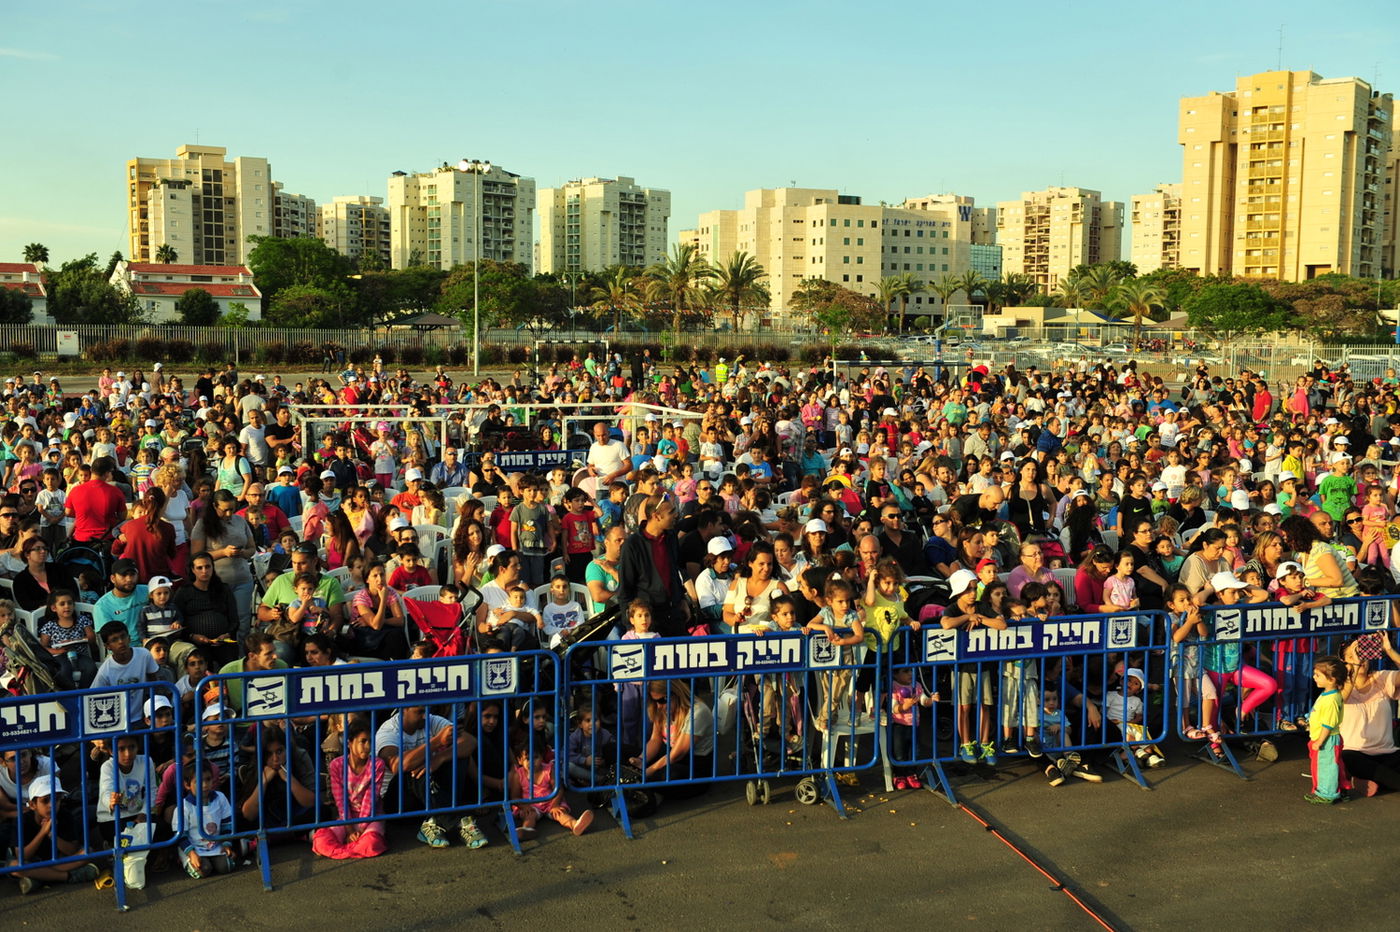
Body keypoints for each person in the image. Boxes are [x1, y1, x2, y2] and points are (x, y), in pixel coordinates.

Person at [375, 705, 480, 849]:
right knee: (413, 768)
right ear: (404, 710)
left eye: (426, 710)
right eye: (419, 712)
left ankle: (432, 823)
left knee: (458, 756)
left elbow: (470, 742)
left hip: (428, 796)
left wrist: (439, 758)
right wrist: (436, 742)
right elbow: (397, 765)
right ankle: (459, 821)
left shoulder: (432, 720)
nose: (425, 716)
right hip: (398, 803)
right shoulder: (389, 731)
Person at [312, 718, 390, 859]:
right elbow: (340, 801)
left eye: (370, 741)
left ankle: (344, 850)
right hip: (346, 818)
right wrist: (349, 829)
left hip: (371, 817)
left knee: (370, 843)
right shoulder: (337, 765)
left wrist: (359, 829)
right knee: (321, 840)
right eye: (363, 741)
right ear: (349, 743)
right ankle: (352, 849)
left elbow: (370, 799)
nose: (367, 746)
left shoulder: (377, 765)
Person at [617, 495, 690, 637]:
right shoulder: (632, 545)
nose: (675, 515)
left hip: (673, 614)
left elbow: (675, 571)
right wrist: (630, 626)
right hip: (648, 619)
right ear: (656, 516)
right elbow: (625, 589)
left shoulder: (671, 537)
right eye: (671, 512)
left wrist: (682, 599)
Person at [1337, 634, 1400, 795]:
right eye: (1352, 656)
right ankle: (1380, 781)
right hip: (1354, 753)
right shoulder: (1339, 686)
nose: (1360, 659)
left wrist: (1389, 650)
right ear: (1343, 662)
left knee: (1388, 766)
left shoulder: (1381, 678)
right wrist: (1355, 666)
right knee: (1348, 758)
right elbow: (1339, 701)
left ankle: (1367, 782)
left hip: (1387, 752)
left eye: (1362, 654)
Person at [191, 490, 257, 633]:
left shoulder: (240, 521)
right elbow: (196, 555)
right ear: (215, 506)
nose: (228, 514)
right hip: (217, 581)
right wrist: (223, 552)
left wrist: (243, 553)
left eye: (232, 509)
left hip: (242, 579)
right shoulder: (203, 524)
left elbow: (252, 547)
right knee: (220, 620)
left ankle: (241, 645)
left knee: (243, 619)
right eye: (224, 510)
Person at [508, 734, 592, 838]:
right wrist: (524, 806)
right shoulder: (518, 775)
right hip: (530, 804)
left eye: (535, 757)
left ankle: (575, 825)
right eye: (527, 759)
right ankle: (527, 830)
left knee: (560, 813)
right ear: (520, 760)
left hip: (550, 802)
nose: (532, 762)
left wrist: (555, 805)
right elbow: (515, 797)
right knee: (530, 815)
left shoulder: (549, 769)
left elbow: (558, 789)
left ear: (542, 757)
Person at [179, 759, 237, 878]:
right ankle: (183, 856)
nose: (205, 785)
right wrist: (191, 853)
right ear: (187, 785)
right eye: (198, 781)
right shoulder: (184, 806)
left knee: (226, 867)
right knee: (203, 870)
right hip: (194, 847)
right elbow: (181, 834)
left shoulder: (220, 798)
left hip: (216, 844)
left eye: (208, 779)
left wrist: (226, 844)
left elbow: (227, 824)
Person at [1304, 656, 1348, 805]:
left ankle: (1327, 794)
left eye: (1318, 675)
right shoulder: (1328, 694)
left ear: (1331, 679)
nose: (1314, 677)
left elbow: (1328, 724)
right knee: (1334, 765)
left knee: (1326, 767)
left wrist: (1319, 742)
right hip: (1326, 738)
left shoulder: (1331, 699)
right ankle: (1340, 789)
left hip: (1326, 740)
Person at [64, 456, 126, 546]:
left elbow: (68, 512)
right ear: (107, 473)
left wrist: (83, 514)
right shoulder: (115, 491)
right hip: (106, 540)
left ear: (91, 470)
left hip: (81, 540)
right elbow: (122, 516)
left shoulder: (75, 490)